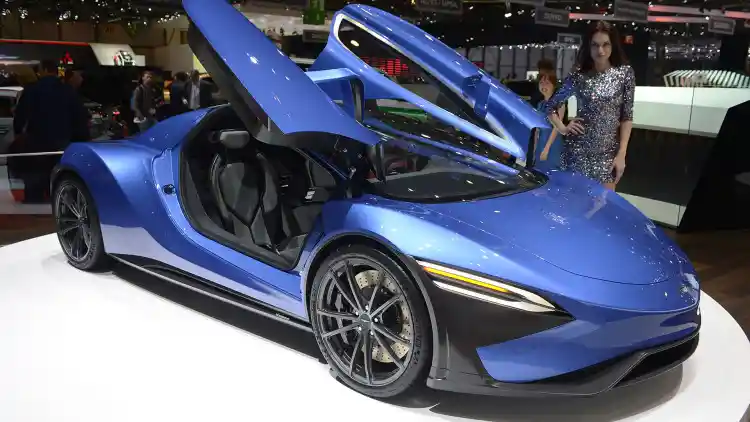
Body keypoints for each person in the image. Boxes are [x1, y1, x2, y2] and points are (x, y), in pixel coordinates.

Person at [540, 21, 635, 191]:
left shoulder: (625, 74)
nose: (600, 51)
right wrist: (563, 128)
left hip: (607, 157)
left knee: (604, 205)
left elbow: (626, 116)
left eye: (605, 44)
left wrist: (622, 154)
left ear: (613, 45)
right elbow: (551, 107)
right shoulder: (579, 75)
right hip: (577, 154)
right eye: (595, 45)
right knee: (574, 204)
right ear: (588, 47)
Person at [11, 60, 90, 203]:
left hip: (37, 139)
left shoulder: (32, 90)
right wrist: (81, 137)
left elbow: (21, 115)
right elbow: (79, 116)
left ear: (44, 70)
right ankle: (60, 199)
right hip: (62, 139)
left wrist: (18, 132)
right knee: (60, 172)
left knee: (35, 172)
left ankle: (34, 199)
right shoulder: (67, 91)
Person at [534, 59, 565, 169]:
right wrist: (534, 147)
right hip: (541, 141)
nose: (544, 86)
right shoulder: (540, 104)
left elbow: (557, 128)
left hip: (553, 143)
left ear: (553, 85)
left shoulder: (559, 104)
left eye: (547, 83)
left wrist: (547, 148)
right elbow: (537, 128)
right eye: (541, 83)